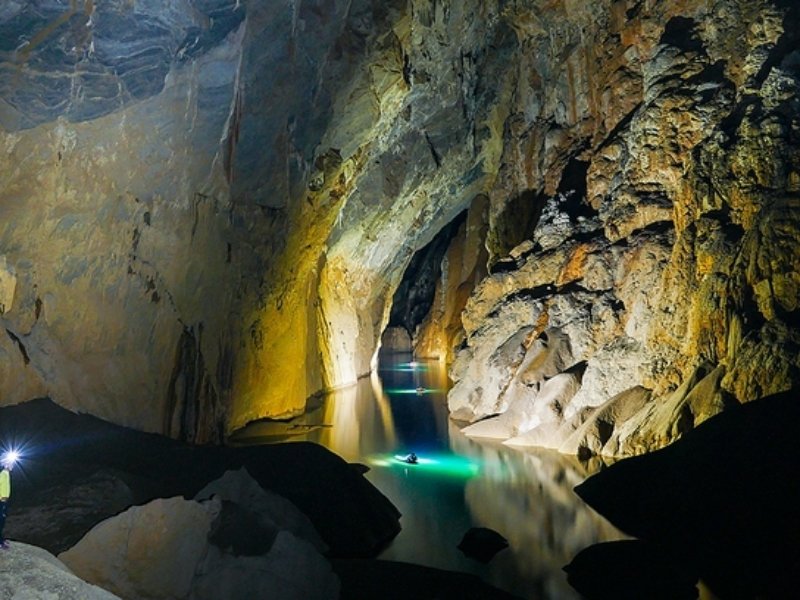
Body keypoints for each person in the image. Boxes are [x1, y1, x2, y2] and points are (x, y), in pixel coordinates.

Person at [0, 455, 13, 549]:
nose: (12, 465)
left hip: (4, 501)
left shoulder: (6, 473)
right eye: (9, 463)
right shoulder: (3, 473)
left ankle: (1, 539)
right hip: (1, 501)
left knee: (2, 521)